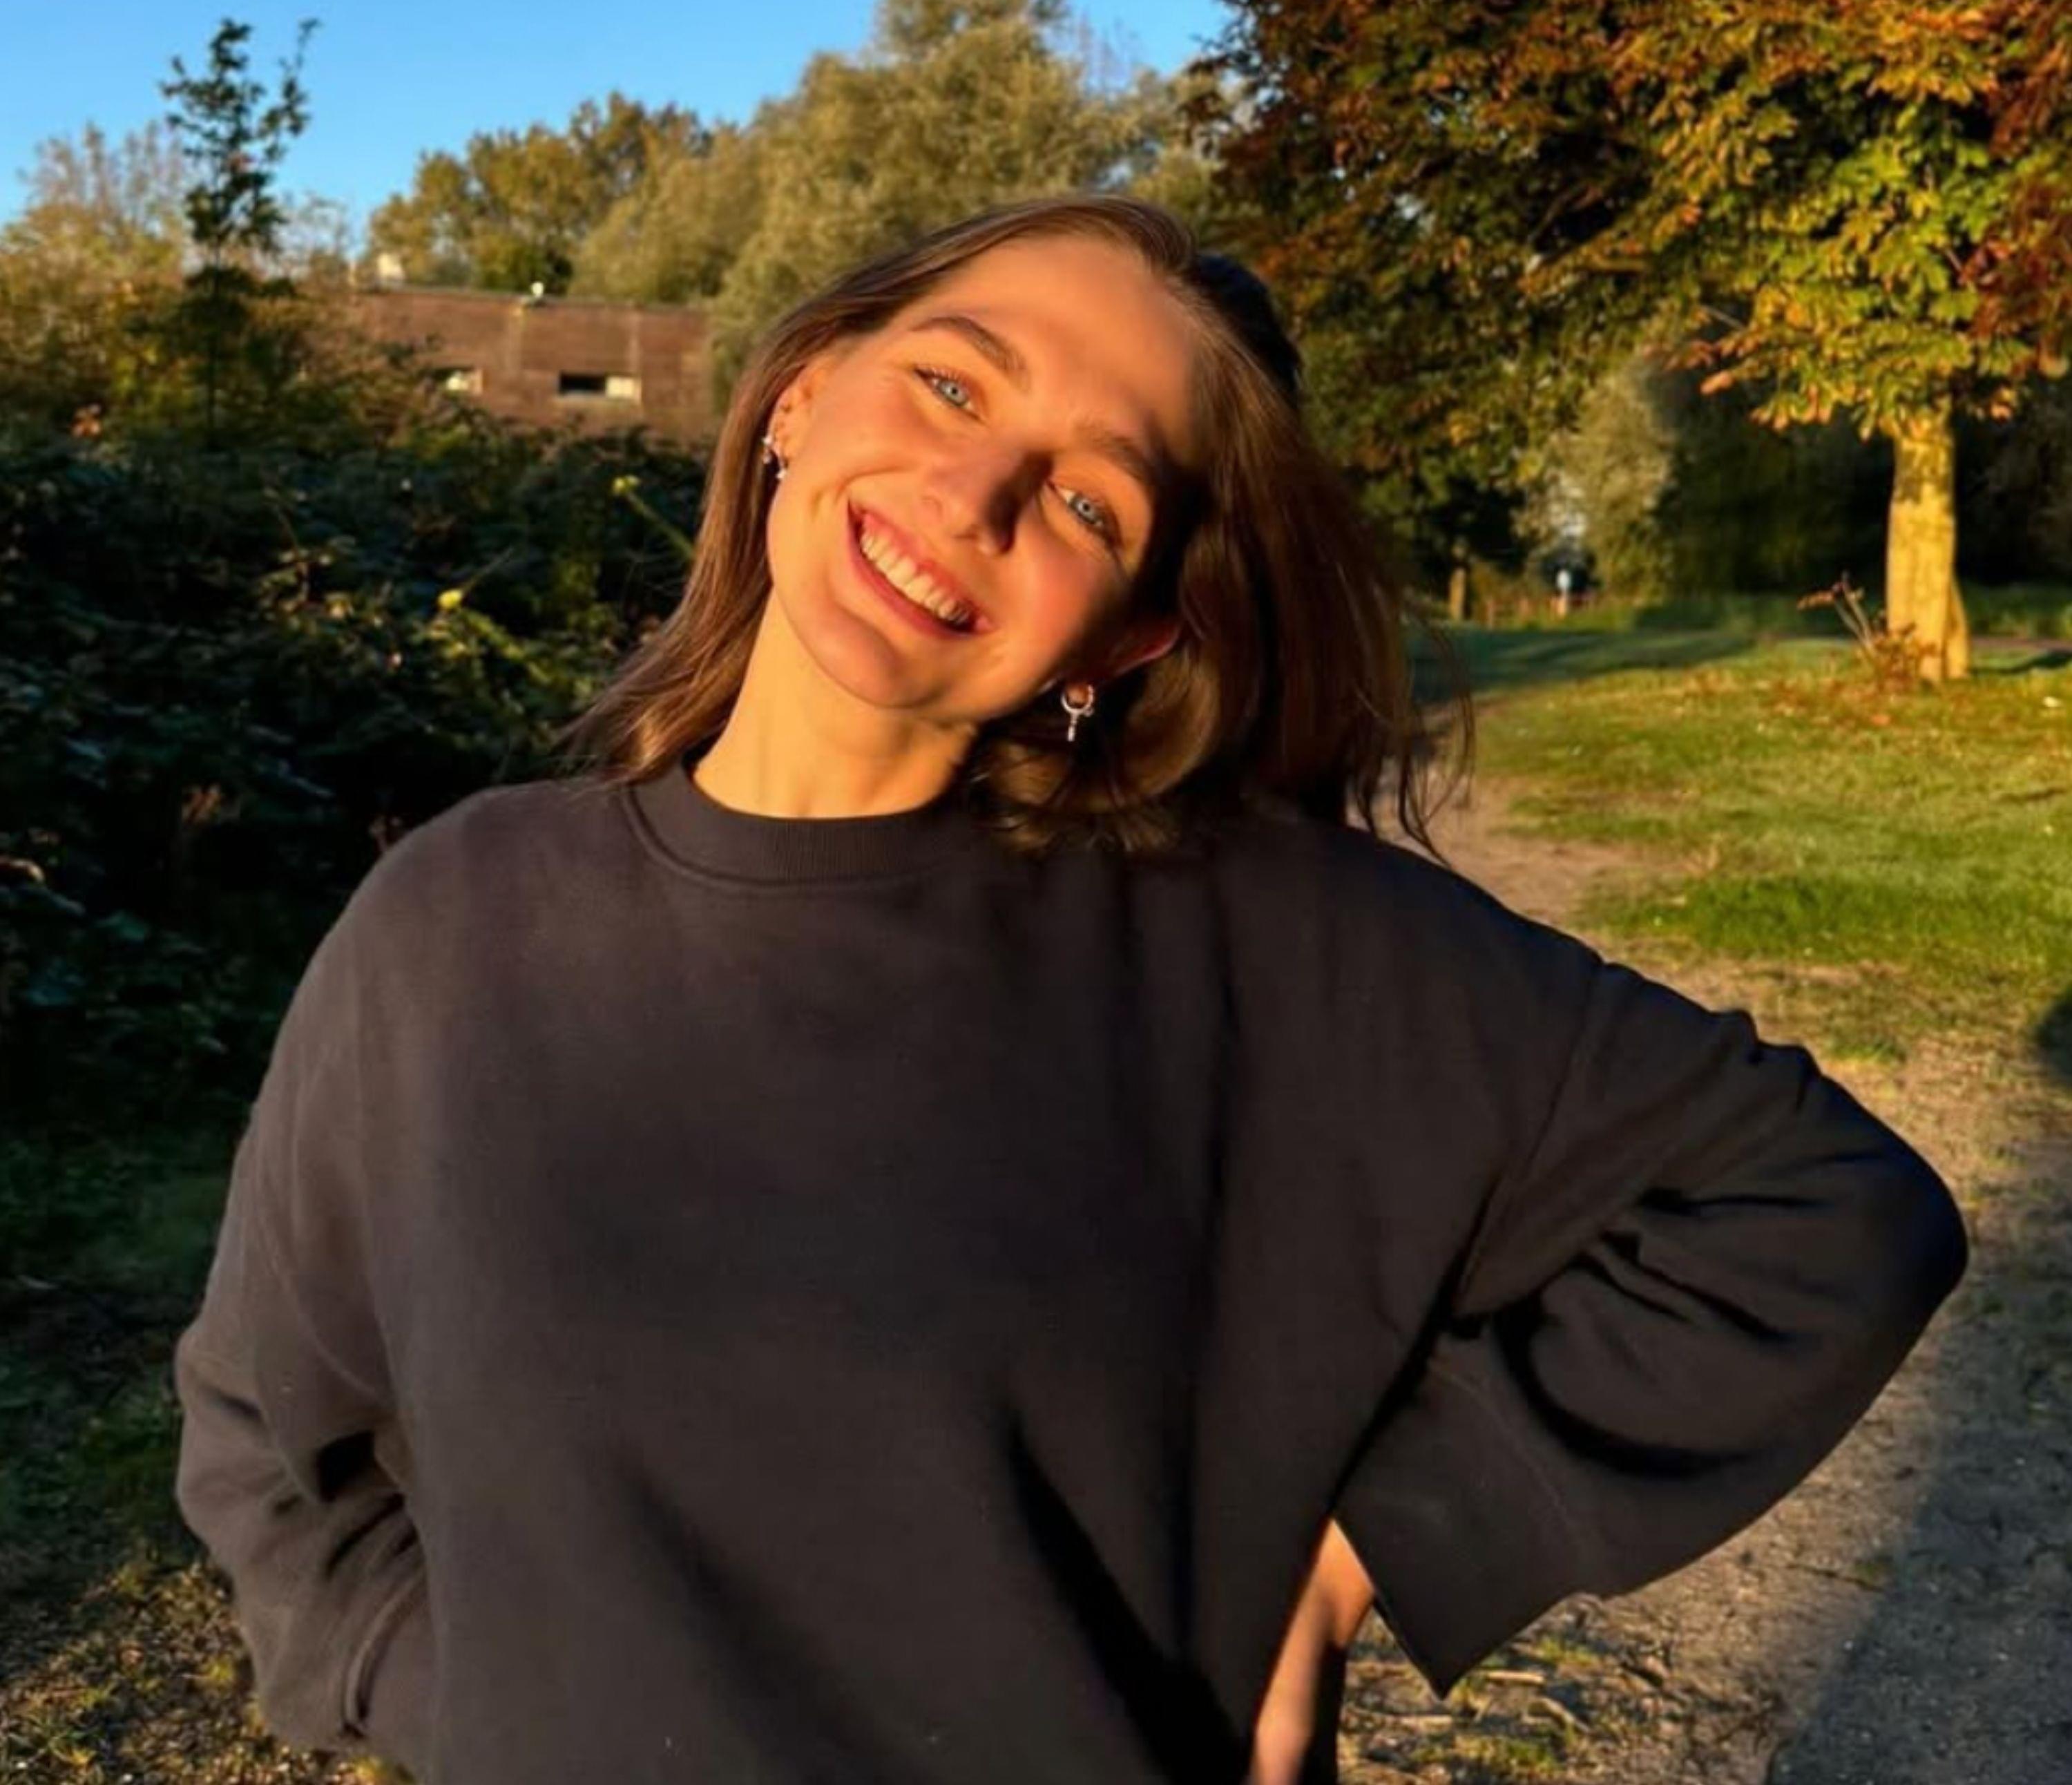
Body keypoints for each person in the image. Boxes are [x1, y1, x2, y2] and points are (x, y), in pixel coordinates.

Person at [172, 194, 1967, 1785]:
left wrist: (1382, 1548)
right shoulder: (454, 921)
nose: (973, 496)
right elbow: (265, 1438)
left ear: (1131, 634)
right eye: (952, 384)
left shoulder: (1277, 948)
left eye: (1092, 498)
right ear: (803, 396)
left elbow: (1822, 1209)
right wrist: (459, 1700)